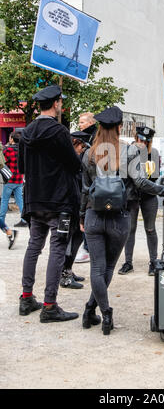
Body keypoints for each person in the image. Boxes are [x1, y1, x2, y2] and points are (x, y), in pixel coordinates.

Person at [79, 106, 164, 335]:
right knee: (107, 268)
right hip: (119, 216)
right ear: (118, 128)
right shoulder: (129, 151)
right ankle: (104, 313)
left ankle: (91, 310)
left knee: (96, 268)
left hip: (94, 214)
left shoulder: (89, 153)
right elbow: (142, 183)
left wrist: (81, 215)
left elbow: (84, 189)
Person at [18, 85, 82, 322]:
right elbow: (75, 164)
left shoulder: (27, 132)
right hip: (58, 200)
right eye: (60, 102)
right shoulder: (59, 131)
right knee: (57, 249)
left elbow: (23, 168)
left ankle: (26, 297)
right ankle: (49, 304)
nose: (61, 105)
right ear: (56, 104)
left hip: (35, 200)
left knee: (34, 246)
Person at [118, 126, 161, 276]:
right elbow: (123, 174)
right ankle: (128, 262)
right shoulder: (128, 151)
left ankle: (154, 261)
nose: (141, 142)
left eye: (145, 140)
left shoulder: (153, 153)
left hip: (148, 196)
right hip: (131, 196)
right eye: (139, 139)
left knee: (150, 229)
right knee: (130, 229)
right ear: (135, 138)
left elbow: (154, 177)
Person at [60, 131, 91, 289]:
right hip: (69, 205)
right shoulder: (69, 160)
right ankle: (65, 274)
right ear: (76, 144)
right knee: (69, 240)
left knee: (77, 238)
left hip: (76, 204)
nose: (83, 149)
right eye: (82, 146)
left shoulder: (75, 158)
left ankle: (68, 270)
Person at [74, 112, 97, 264]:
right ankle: (87, 246)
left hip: (89, 181)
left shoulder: (93, 137)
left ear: (89, 123)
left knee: (86, 214)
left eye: (82, 122)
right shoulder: (87, 136)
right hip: (84, 180)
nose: (80, 124)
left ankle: (88, 248)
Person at [0, 131, 27, 228]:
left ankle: (1, 220)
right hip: (19, 179)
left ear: (12, 139)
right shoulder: (23, 149)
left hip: (9, 179)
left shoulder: (8, 150)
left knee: (4, 200)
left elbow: (2, 161)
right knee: (20, 200)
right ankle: (24, 220)